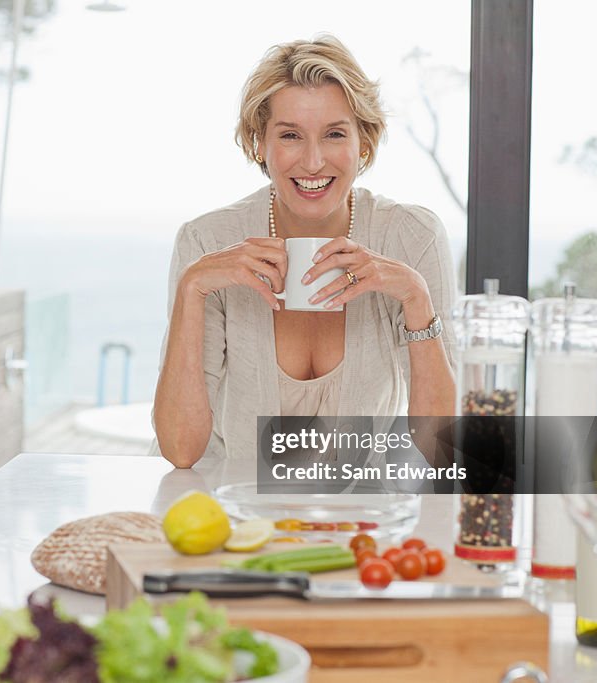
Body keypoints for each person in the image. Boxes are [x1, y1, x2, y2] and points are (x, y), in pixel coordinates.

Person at [152, 35, 456, 469]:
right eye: (290, 135)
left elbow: (442, 448)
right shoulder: (205, 241)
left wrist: (416, 300)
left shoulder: (411, 238)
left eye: (334, 134)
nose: (313, 162)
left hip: (359, 515)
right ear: (260, 143)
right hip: (229, 512)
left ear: (363, 143)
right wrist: (192, 289)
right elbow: (181, 450)